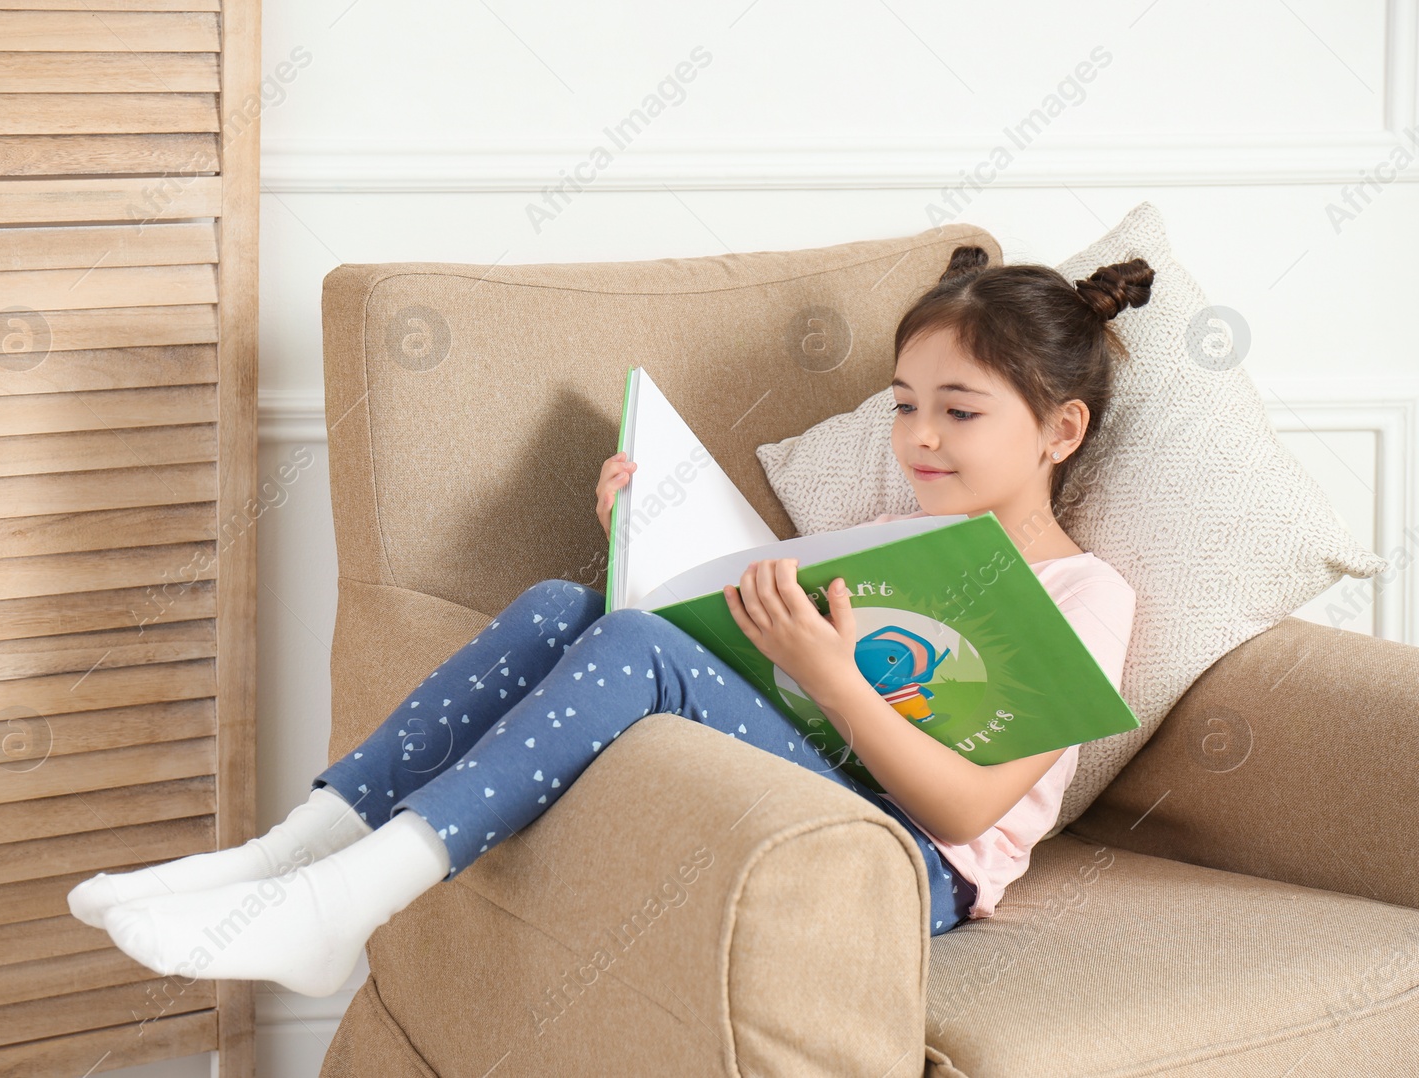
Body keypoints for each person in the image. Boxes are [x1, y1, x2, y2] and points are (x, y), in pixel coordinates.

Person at [67, 244, 1152, 998]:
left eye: (957, 411)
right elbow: (715, 636)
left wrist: (833, 678)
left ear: (1060, 429)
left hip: (914, 861)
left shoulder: (1083, 594)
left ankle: (340, 905)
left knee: (631, 644)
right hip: (811, 766)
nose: (917, 436)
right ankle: (286, 856)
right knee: (563, 604)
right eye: (904, 404)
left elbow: (964, 812)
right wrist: (648, 539)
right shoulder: (877, 536)